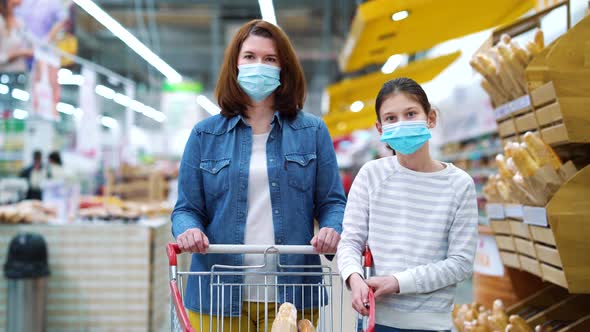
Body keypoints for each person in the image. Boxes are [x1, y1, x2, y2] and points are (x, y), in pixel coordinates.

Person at [171, 19, 346, 331]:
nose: (259, 65)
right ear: (235, 65)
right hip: (217, 292)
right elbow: (186, 208)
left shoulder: (312, 132)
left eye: (270, 59)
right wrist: (189, 230)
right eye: (250, 57)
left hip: (293, 295)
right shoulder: (204, 135)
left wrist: (332, 229)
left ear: (283, 69)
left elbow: (332, 202)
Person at [337, 78, 478, 332]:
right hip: (376, 321)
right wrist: (354, 278)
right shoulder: (371, 175)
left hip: (432, 324)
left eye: (410, 113)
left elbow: (460, 263)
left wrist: (398, 282)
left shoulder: (460, 184)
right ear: (380, 129)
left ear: (431, 118)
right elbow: (350, 241)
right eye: (391, 118)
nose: (401, 123)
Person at [0, 0, 33, 73]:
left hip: (21, 74)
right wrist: (19, 53)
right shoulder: (1, 21)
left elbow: (31, 45)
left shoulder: (20, 21)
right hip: (5, 76)